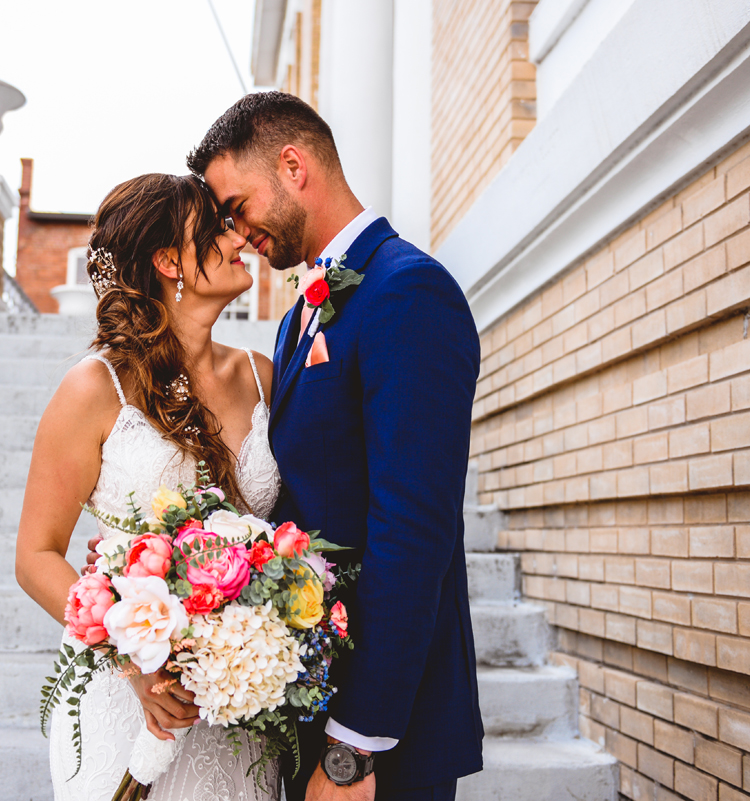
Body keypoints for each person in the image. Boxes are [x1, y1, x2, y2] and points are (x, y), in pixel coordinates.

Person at [188, 91, 485, 801]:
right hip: (311, 704)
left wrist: (356, 743)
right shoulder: (298, 319)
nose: (236, 233)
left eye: (236, 207)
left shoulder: (408, 291)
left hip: (383, 734)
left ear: (293, 166)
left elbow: (414, 529)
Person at [15, 173, 282, 801]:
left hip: (237, 701)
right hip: (125, 694)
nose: (238, 235)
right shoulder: (95, 388)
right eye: (216, 228)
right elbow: (35, 556)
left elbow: (285, 533)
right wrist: (137, 658)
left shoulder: (262, 376)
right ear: (169, 261)